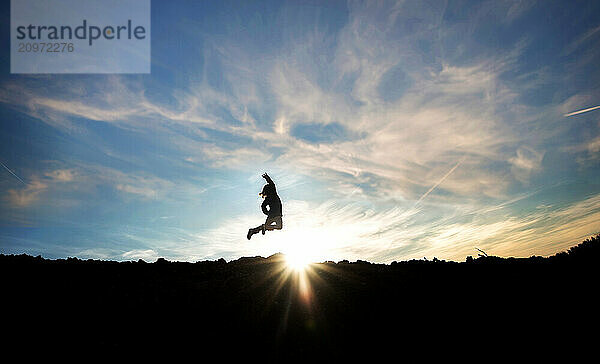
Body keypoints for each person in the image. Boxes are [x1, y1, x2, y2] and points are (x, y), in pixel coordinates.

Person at [247, 173, 283, 240]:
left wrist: (267, 212)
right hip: (277, 214)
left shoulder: (267, 199)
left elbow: (263, 206)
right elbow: (272, 184)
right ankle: (264, 227)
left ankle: (254, 230)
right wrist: (267, 177)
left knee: (268, 227)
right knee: (279, 227)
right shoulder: (274, 194)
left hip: (272, 215)